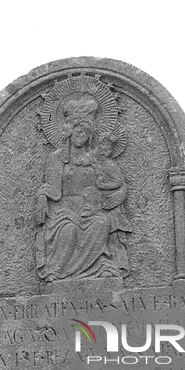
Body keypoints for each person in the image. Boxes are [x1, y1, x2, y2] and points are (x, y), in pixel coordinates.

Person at [36, 96, 131, 281]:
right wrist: (42, 196)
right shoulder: (56, 158)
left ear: (90, 136)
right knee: (68, 229)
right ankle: (57, 271)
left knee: (102, 223)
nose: (81, 135)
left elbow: (115, 182)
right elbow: (53, 190)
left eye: (85, 133)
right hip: (63, 211)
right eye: (77, 131)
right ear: (69, 132)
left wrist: (121, 194)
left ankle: (99, 266)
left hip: (90, 210)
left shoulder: (97, 158)